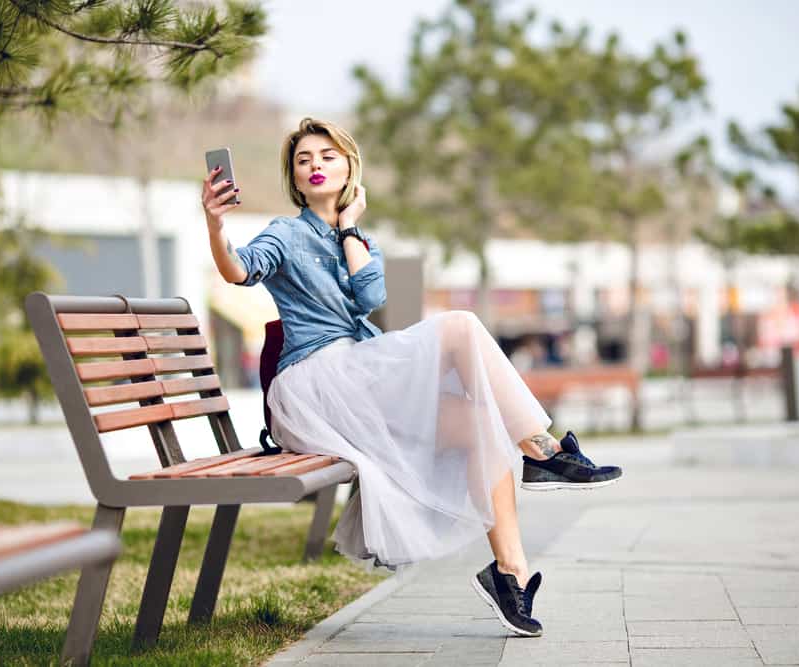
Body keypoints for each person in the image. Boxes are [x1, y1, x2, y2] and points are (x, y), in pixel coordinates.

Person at [201, 117, 623, 638]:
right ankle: (542, 450)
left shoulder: (358, 239)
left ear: (350, 167)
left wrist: (350, 226)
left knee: (474, 423)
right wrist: (216, 225)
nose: (315, 166)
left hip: (358, 376)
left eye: (328, 156)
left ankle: (511, 572)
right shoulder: (285, 234)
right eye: (304, 159)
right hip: (315, 382)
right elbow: (238, 270)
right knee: (461, 325)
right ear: (293, 175)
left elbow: (372, 299)